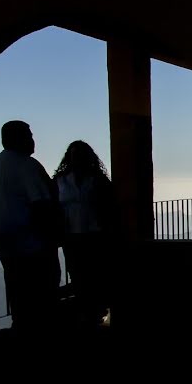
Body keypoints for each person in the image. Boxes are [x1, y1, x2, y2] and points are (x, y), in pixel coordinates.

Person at [0, 121, 62, 333]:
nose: (32, 140)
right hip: (30, 239)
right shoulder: (27, 165)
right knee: (42, 286)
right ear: (19, 138)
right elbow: (41, 204)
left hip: (3, 238)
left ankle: (22, 326)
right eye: (28, 135)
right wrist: (55, 234)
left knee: (17, 287)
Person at [53, 140, 115, 327]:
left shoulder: (96, 179)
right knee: (79, 273)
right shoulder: (60, 180)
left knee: (93, 272)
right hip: (71, 235)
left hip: (94, 234)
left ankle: (92, 311)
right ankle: (89, 311)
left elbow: (108, 205)